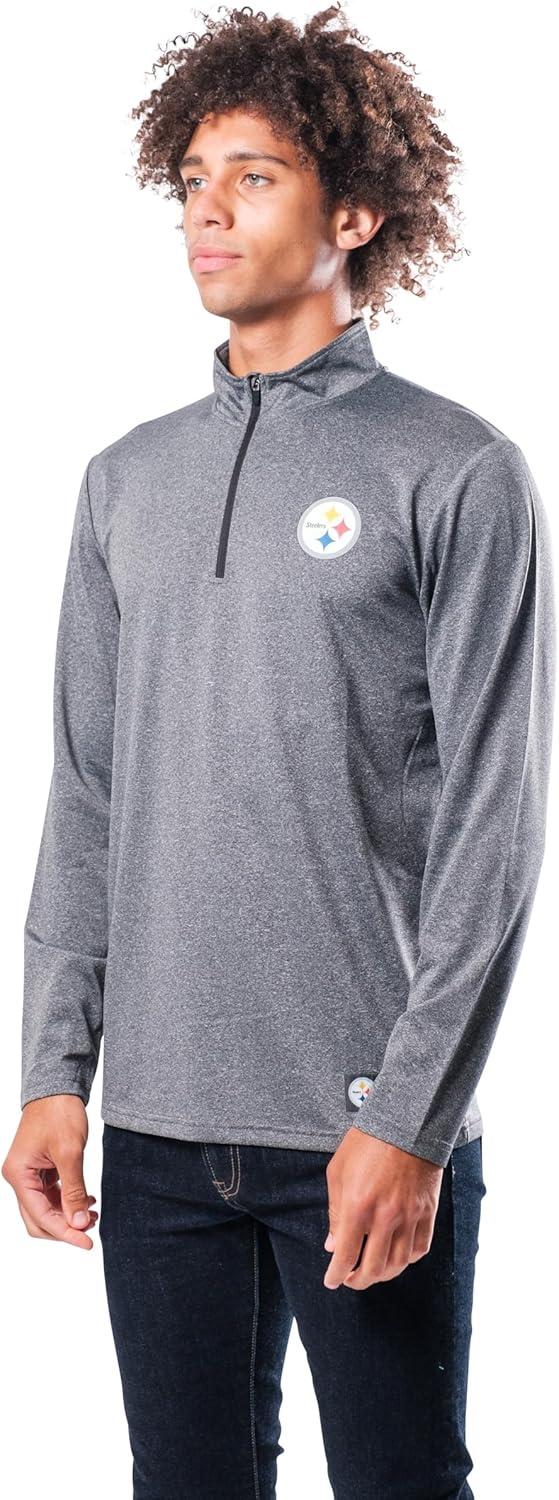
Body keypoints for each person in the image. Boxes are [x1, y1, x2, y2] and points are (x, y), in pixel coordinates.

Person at [3, 5, 556, 1497]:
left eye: (254, 175)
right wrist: (55, 1069)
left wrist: (413, 1119)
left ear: (355, 212)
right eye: (193, 177)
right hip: (157, 1131)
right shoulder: (124, 480)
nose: (208, 207)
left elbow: (495, 825)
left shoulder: (454, 468)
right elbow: (87, 793)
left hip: (361, 1124)